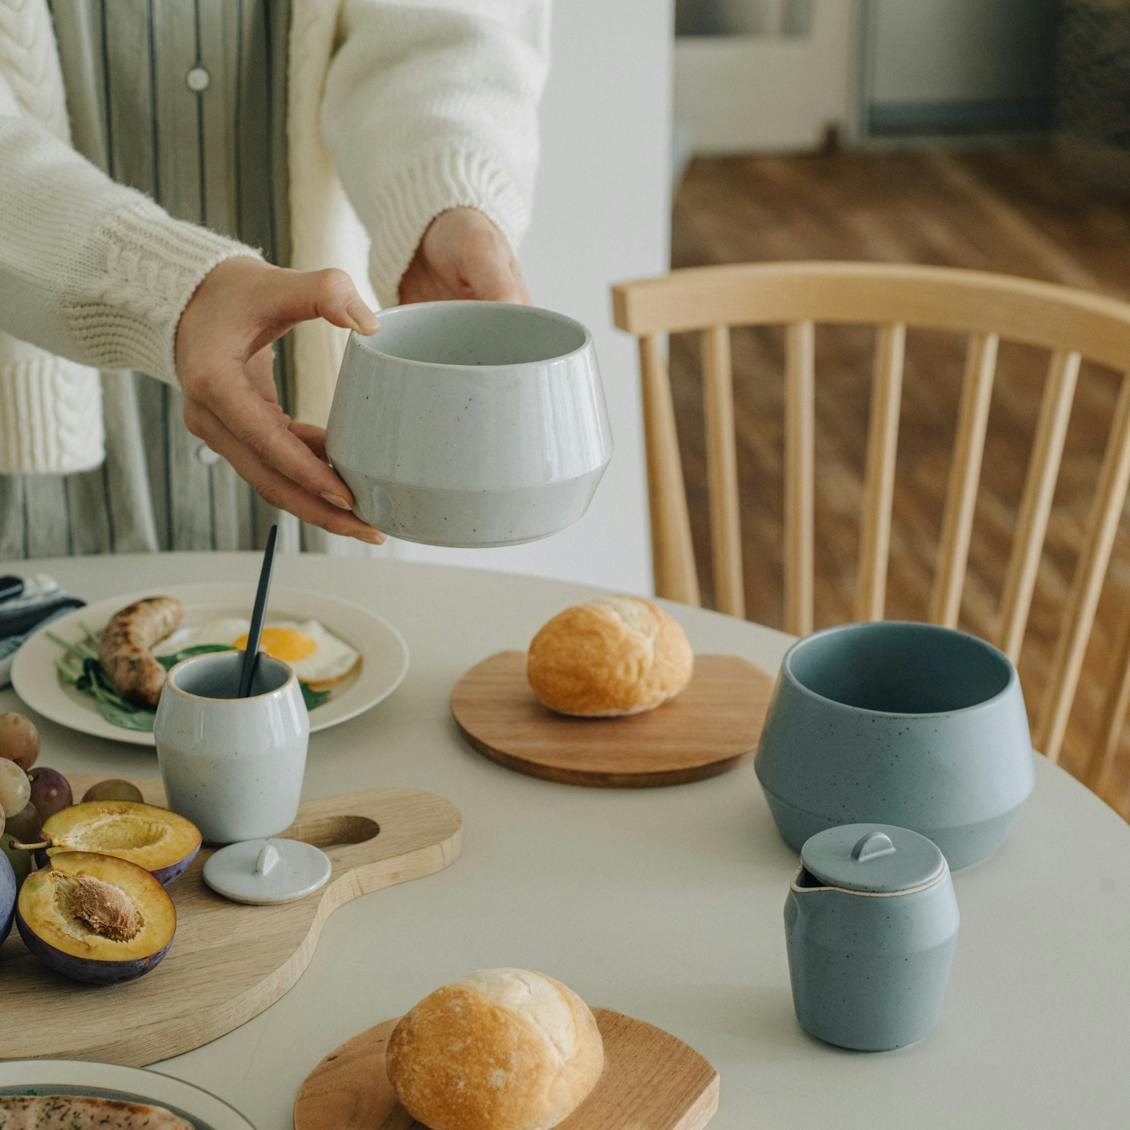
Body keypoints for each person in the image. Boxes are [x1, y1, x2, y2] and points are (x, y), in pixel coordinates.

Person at [0, 0, 547, 557]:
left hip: (329, 449)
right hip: (34, 479)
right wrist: (175, 291)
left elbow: (445, 28)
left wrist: (441, 193)